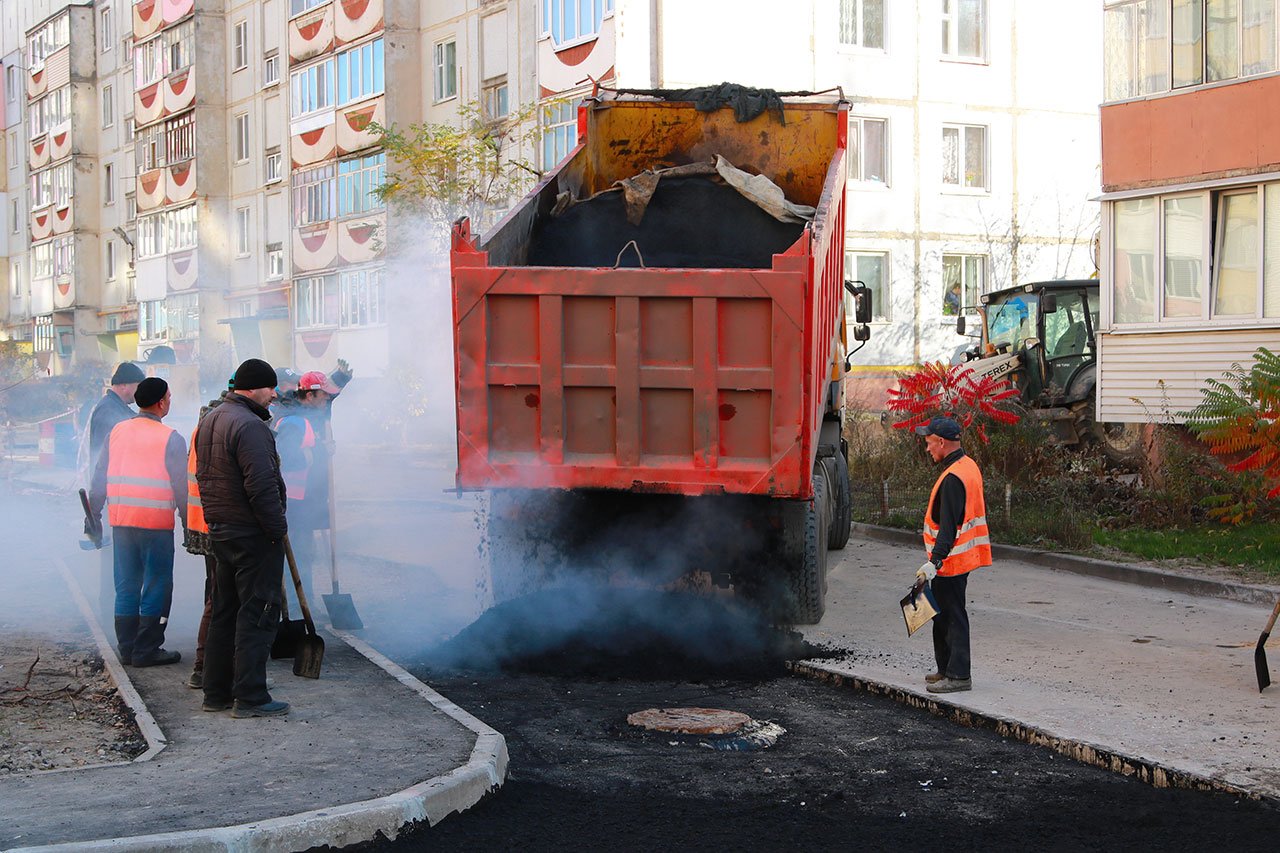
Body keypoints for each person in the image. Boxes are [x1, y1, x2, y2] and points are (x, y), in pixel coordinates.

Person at [196, 358, 290, 718]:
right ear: (254, 388)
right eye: (270, 388)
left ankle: (215, 692)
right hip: (252, 534)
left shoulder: (211, 419)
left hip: (220, 530)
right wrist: (277, 529)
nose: (274, 395)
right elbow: (261, 485)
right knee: (258, 613)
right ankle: (250, 696)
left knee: (224, 612)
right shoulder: (250, 426)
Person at [88, 377, 187, 667]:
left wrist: (93, 513)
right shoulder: (171, 438)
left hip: (122, 522)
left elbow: (99, 475)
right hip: (155, 524)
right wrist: (189, 522)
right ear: (160, 403)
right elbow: (181, 487)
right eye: (169, 397)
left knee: (127, 584)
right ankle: (147, 649)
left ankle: (127, 647)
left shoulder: (117, 432)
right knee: (157, 584)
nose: (170, 401)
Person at [913, 416, 992, 694]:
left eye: (929, 443)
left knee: (953, 615)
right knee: (942, 615)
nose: (927, 448)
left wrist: (933, 562)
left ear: (942, 442)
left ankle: (958, 676)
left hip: (951, 560)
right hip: (957, 557)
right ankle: (945, 669)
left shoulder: (952, 478)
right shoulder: (967, 466)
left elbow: (948, 528)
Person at [82, 361, 146, 621]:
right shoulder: (110, 411)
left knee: (117, 562)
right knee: (115, 563)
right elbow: (106, 460)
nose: (139, 392)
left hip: (114, 498)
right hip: (114, 500)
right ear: (123, 386)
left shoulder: (114, 408)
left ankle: (113, 614)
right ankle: (111, 616)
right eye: (137, 387)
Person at [273, 370, 341, 614]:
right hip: (294, 502)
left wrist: (324, 449)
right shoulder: (294, 421)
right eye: (324, 396)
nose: (326, 401)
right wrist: (319, 452)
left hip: (302, 500)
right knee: (298, 556)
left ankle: (303, 603)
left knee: (303, 555)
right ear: (310, 395)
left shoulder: (302, 415)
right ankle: (297, 606)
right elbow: (286, 458)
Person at [181, 383, 234, 690]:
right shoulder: (219, 431)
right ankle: (205, 667)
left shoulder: (202, 426)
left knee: (215, 596)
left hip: (203, 526)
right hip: (218, 527)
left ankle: (208, 665)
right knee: (220, 600)